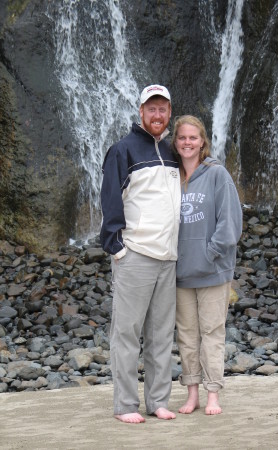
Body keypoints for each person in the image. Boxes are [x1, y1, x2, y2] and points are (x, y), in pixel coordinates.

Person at [100, 85, 181, 423]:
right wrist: (116, 248)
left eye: (162, 109)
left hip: (168, 258)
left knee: (161, 335)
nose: (157, 115)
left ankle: (159, 401)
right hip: (135, 256)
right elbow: (109, 200)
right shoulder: (123, 150)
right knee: (127, 333)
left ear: (169, 113)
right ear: (141, 111)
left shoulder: (174, 152)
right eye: (151, 109)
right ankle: (125, 405)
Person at [172, 115, 242, 415]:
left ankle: (213, 394)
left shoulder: (217, 175)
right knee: (187, 336)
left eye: (193, 137)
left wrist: (210, 253)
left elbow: (230, 223)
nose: (187, 142)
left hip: (213, 271)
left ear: (203, 142)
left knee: (212, 333)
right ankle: (192, 393)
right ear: (175, 143)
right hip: (180, 273)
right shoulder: (170, 177)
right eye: (182, 138)